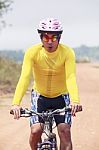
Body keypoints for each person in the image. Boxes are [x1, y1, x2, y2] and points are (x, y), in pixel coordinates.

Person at [11, 18, 82, 150]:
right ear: (41, 37)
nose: (49, 41)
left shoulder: (67, 52)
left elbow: (70, 78)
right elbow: (25, 78)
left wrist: (75, 101)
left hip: (61, 97)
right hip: (40, 97)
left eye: (54, 37)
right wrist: (16, 103)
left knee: (65, 131)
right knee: (35, 131)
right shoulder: (32, 52)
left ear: (59, 37)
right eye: (46, 37)